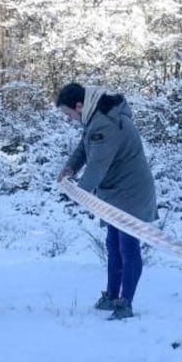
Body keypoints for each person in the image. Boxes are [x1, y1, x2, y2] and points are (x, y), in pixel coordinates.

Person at [56, 83, 157, 320]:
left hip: (131, 192)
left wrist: (79, 193)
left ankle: (125, 302)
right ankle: (111, 295)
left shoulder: (105, 123)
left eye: (69, 113)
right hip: (114, 192)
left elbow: (98, 165)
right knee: (113, 245)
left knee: (127, 247)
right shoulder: (95, 117)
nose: (69, 119)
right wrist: (70, 167)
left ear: (79, 105)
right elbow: (84, 147)